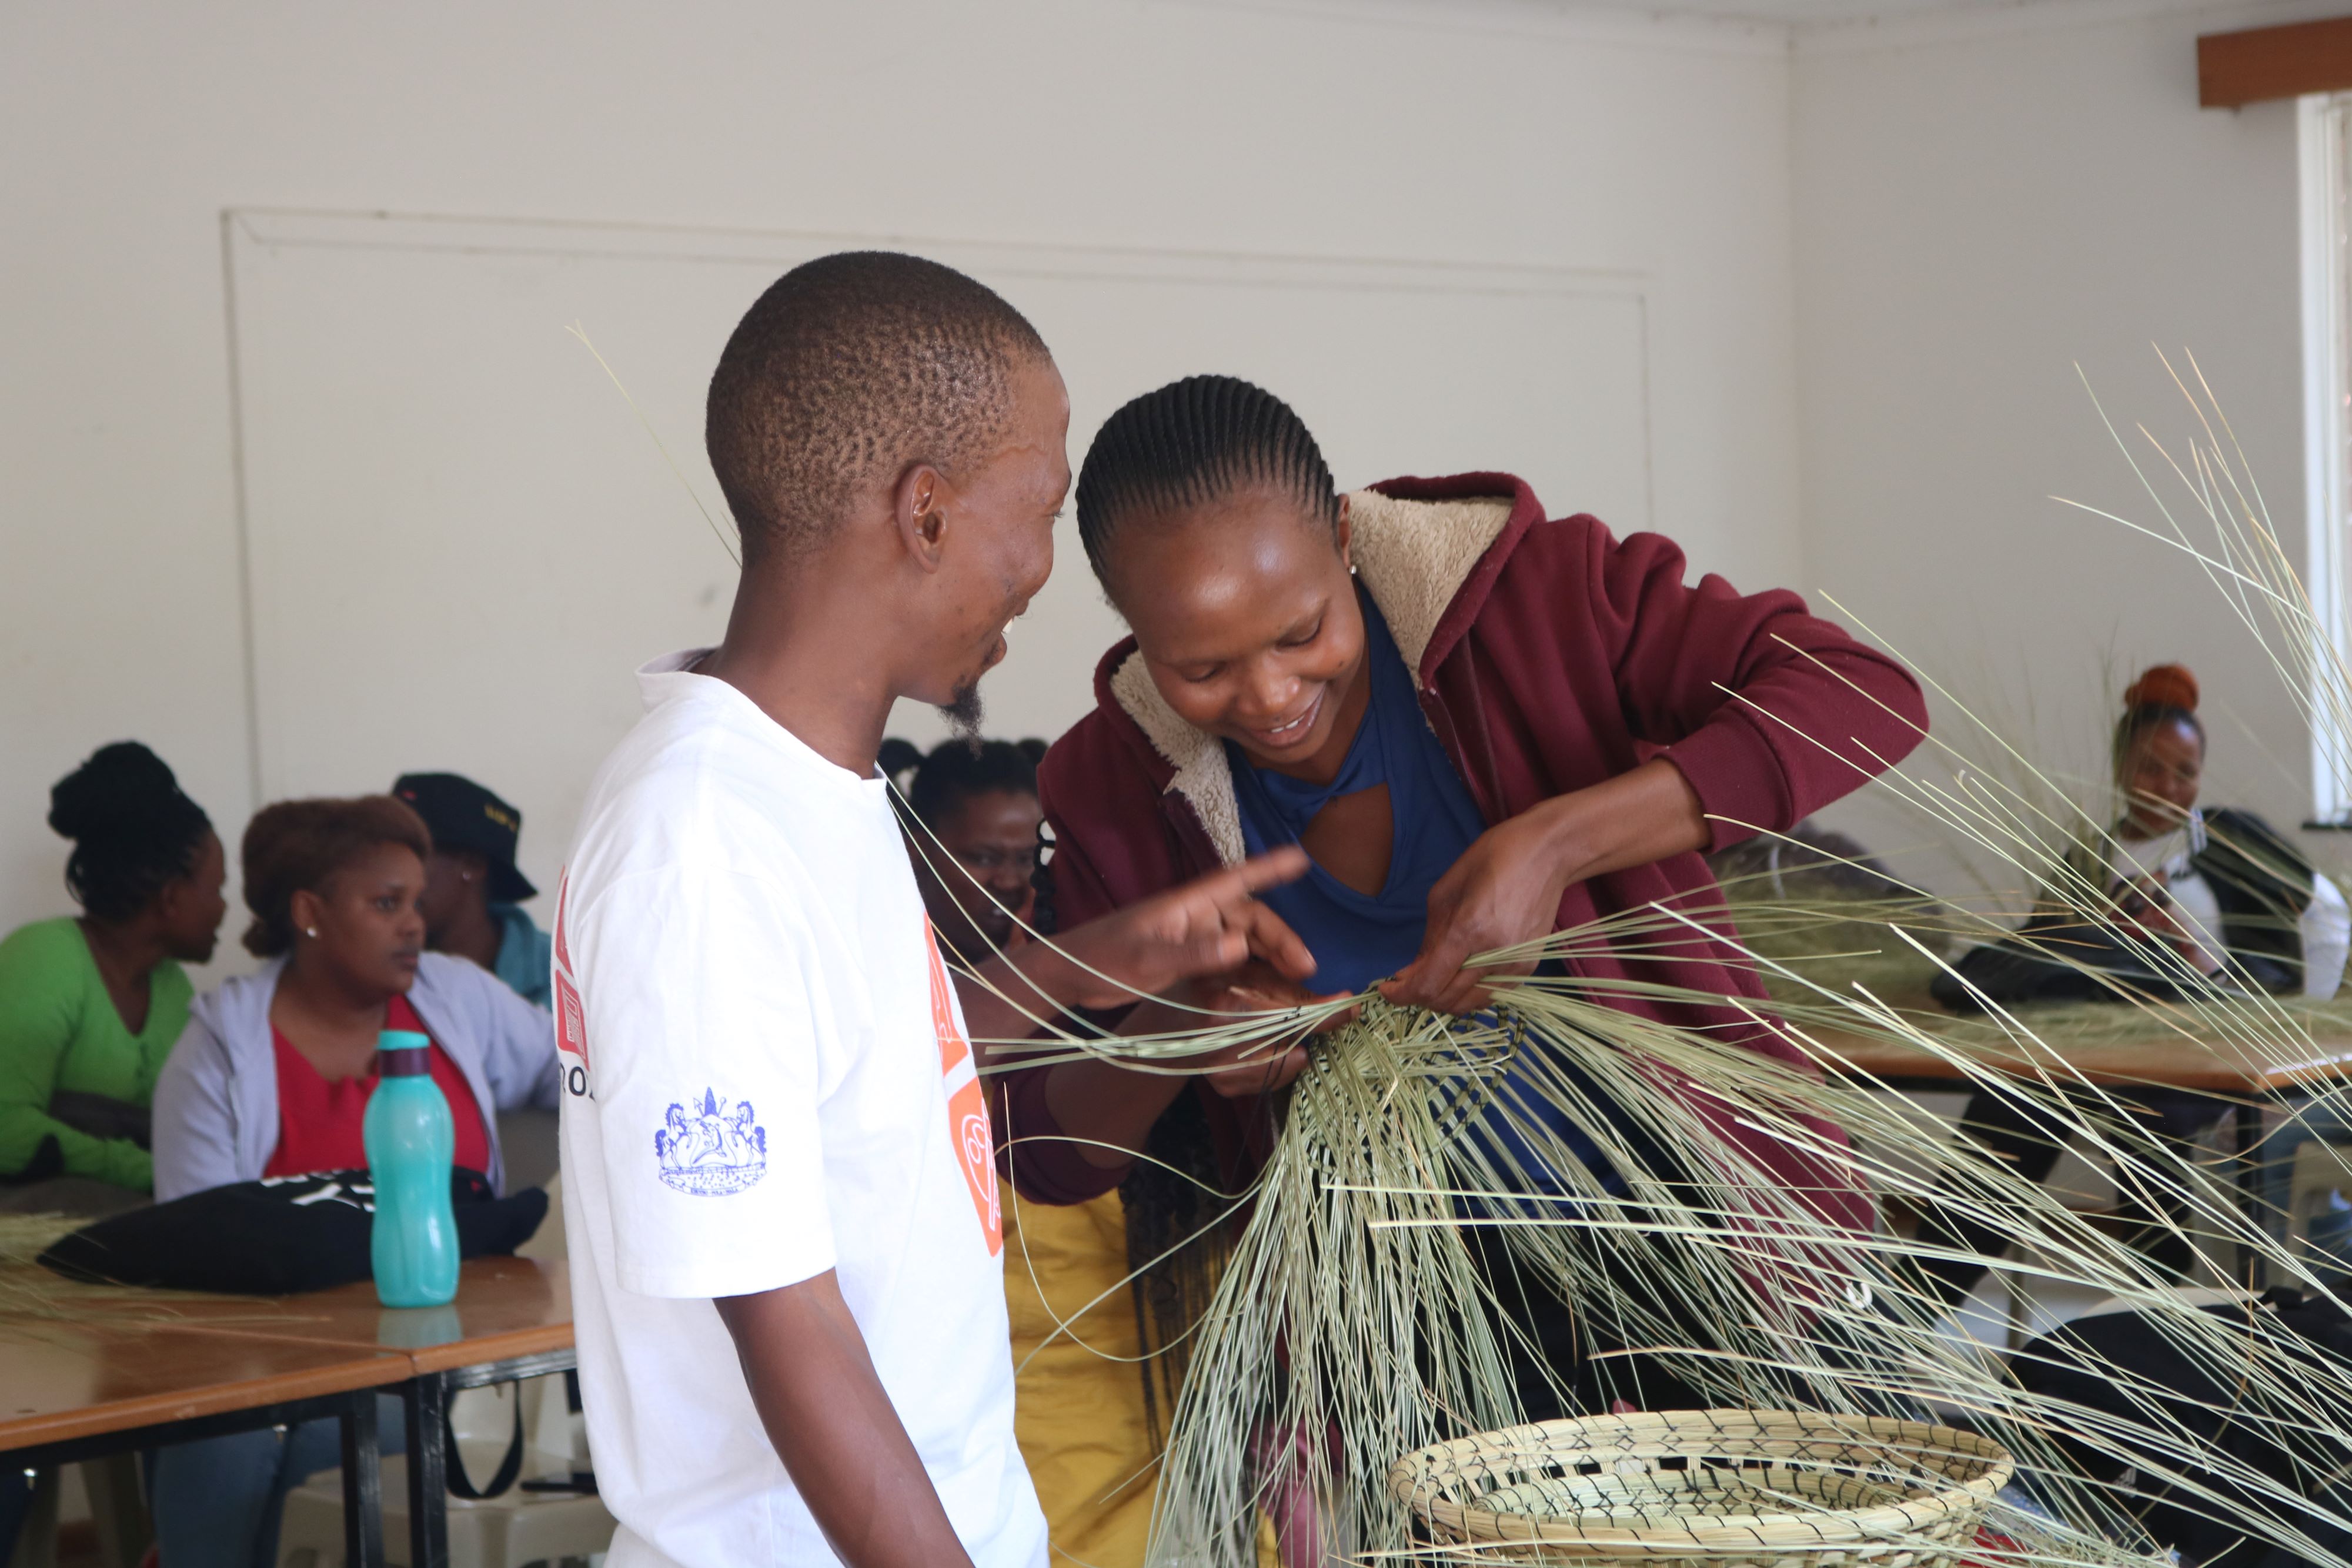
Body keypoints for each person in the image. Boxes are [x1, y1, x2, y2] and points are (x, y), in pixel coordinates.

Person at [555, 255, 1314, 1568]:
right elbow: (784, 1316)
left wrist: (1096, 964)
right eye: (1043, 503)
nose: (1040, 569)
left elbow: (851, 1082)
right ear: (925, 513)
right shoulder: (701, 839)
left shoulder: (810, 791)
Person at [996, 375, 1930, 1427]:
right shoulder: (1112, 786)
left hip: (1730, 1254)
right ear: (1131, 627)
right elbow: (1047, 1150)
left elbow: (1863, 697)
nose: (1266, 697)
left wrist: (1556, 840)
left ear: (1344, 534)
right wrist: (1181, 1030)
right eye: (1200, 666)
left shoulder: (1537, 599)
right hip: (1424, 1364)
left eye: (1301, 632)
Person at [146, 794, 560, 1568]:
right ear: (309, 911)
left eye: (415, 901)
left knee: (282, 1438)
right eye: (385, 903)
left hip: (459, 1357)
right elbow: (195, 1249)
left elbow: (581, 1072)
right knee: (234, 1427)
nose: (415, 923)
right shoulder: (220, 1050)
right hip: (278, 1360)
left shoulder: (455, 997)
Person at [1919, 665, 2352, 1294]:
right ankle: (1923, 1293)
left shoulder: (2229, 839)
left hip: (2206, 1042)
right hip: (2091, 1046)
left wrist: (2288, 1031)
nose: (2168, 788)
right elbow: (2044, 954)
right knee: (2018, 1096)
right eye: (2151, 769)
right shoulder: (2088, 857)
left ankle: (2158, 1312)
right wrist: (2110, 934)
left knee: (2146, 1108)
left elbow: (2326, 917)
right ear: (2121, 767)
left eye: (2186, 773)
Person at [881, 734, 1158, 1566]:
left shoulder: (1085, 985)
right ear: (919, 853)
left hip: (1128, 1378)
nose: (1008, 876)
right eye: (979, 856)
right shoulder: (893, 988)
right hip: (1003, 1402)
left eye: (1023, 854)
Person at [0, 741, 225, 1205]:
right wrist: (153, 1169)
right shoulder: (43, 958)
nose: (224, 907)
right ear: (171, 897)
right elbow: (6, 1130)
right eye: (217, 888)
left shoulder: (171, 986)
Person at [880, 735, 1049, 965]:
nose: (1009, 883)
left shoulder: (1062, 955)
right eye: (984, 859)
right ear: (916, 850)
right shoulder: (877, 959)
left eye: (1026, 859)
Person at [393, 771, 554, 1008]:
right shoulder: (374, 962)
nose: (389, 875)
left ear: (472, 865)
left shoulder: (568, 974)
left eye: (411, 853)